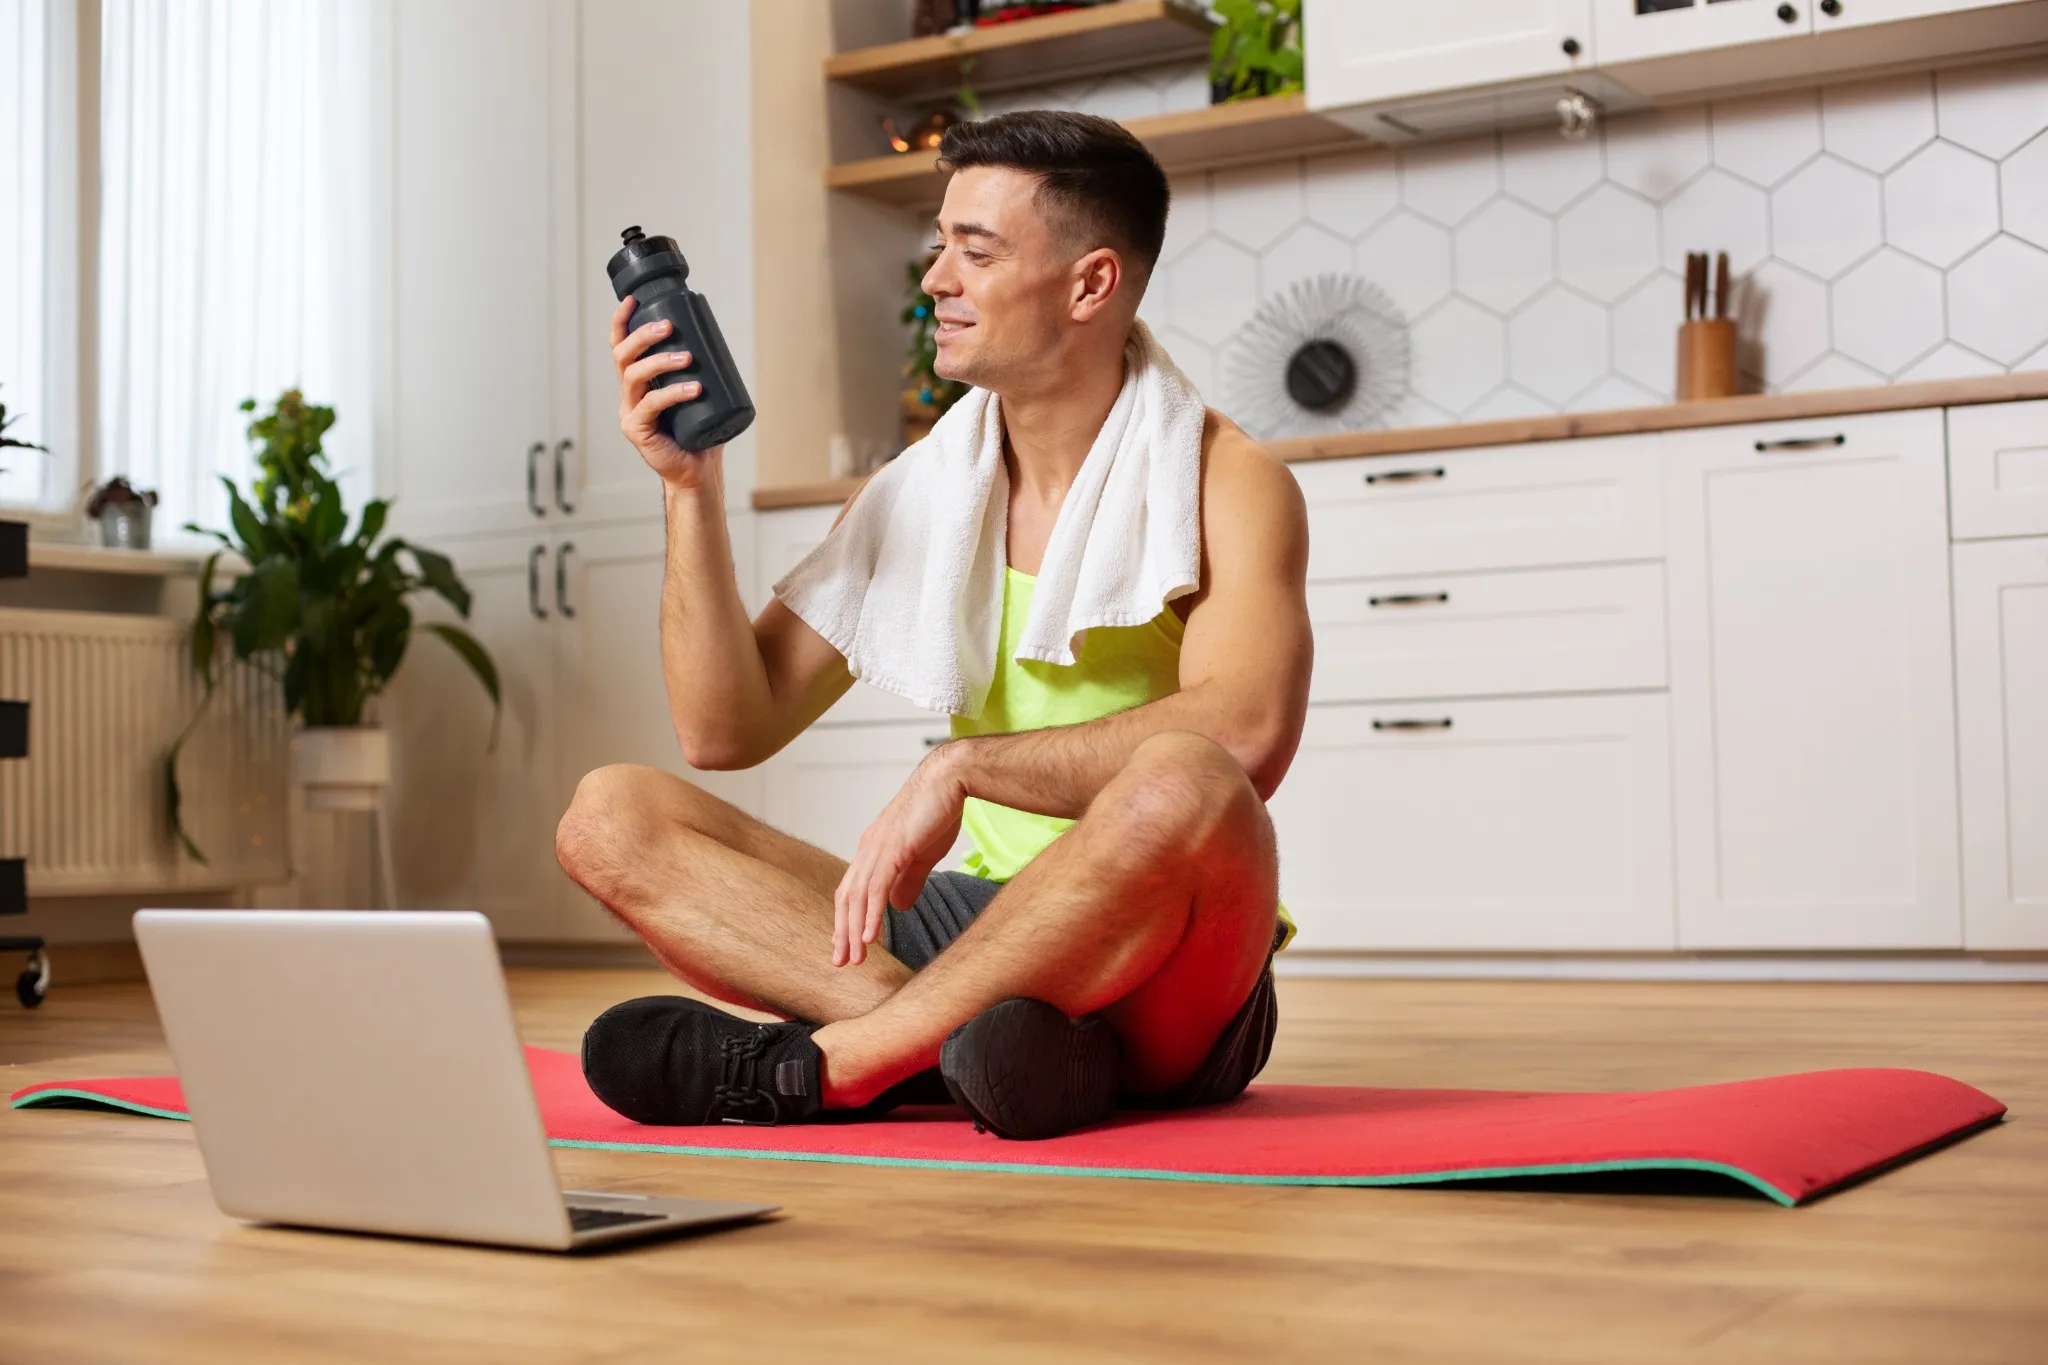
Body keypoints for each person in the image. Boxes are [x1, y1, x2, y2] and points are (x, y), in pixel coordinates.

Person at [555, 110, 1312, 1140]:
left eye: (975, 250)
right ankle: (978, 1055)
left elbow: (1248, 734)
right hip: (979, 928)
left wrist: (960, 767)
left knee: (1187, 779)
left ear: (1088, 284)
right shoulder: (927, 492)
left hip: (1169, 966)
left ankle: (833, 1066)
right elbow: (723, 729)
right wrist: (689, 488)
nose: (934, 281)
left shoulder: (1226, 480)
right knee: (610, 814)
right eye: (937, 245)